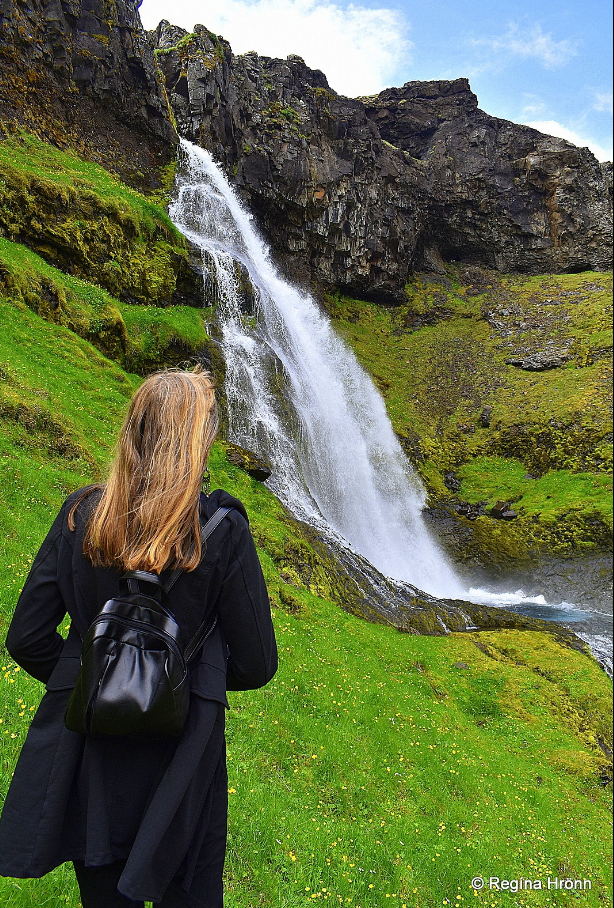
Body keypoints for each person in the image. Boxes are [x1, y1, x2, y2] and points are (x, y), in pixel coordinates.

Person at [0, 366, 278, 907]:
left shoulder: (83, 516)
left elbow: (28, 637)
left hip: (94, 757)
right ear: (197, 443)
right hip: (183, 759)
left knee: (103, 892)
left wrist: (98, 676)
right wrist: (187, 677)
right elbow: (257, 664)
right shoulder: (221, 533)